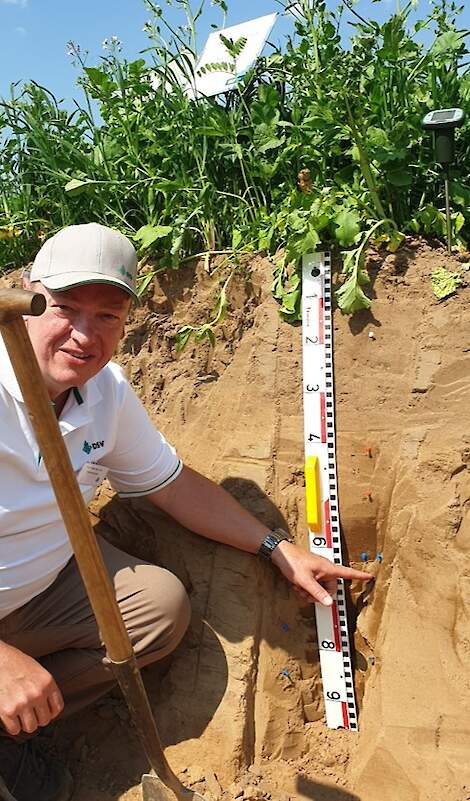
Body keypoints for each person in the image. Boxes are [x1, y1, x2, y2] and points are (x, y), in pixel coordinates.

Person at [0, 223, 371, 801]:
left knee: (158, 608)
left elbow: (172, 488)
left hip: (38, 590)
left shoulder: (105, 394)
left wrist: (277, 549)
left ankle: (10, 725)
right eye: (67, 307)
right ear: (27, 301)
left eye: (107, 317)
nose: (83, 335)